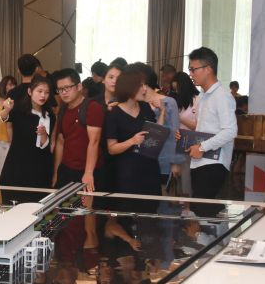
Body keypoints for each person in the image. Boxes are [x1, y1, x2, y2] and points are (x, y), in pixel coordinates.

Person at [185, 47, 236, 207]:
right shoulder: (202, 96)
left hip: (214, 163)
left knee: (204, 209)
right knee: (199, 209)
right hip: (200, 161)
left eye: (193, 69)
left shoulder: (222, 96)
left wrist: (202, 147)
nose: (191, 74)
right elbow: (204, 128)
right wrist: (184, 137)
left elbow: (230, 131)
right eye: (190, 69)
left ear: (208, 69)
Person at [104, 66, 161, 197]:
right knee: (130, 206)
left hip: (150, 167)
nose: (145, 89)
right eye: (141, 85)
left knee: (152, 206)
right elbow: (111, 149)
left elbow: (156, 134)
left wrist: (162, 112)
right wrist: (132, 141)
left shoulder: (145, 107)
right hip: (128, 172)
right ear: (129, 87)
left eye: (145, 85)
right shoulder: (114, 113)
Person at [0, 75, 55, 189]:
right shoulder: (19, 110)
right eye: (39, 91)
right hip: (17, 164)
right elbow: (4, 118)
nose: (43, 95)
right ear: (30, 91)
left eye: (46, 92)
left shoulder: (49, 115)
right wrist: (6, 109)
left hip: (39, 167)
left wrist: (43, 134)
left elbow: (44, 145)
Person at [52, 68, 105, 192]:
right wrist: (56, 172)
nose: (64, 93)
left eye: (67, 88)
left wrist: (88, 172)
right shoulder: (63, 109)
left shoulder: (92, 107)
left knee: (86, 204)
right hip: (66, 169)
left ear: (79, 86)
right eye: (60, 89)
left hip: (88, 170)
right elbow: (60, 141)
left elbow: (94, 142)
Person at [143, 67, 182, 190]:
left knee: (164, 196)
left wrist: (175, 162)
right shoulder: (137, 103)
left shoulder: (169, 102)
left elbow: (176, 132)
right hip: (144, 160)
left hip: (165, 158)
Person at [0, 75, 17, 184]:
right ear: (4, 86)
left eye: (14, 84)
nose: (13, 87)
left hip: (14, 142)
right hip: (1, 141)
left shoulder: (15, 102)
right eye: (10, 84)